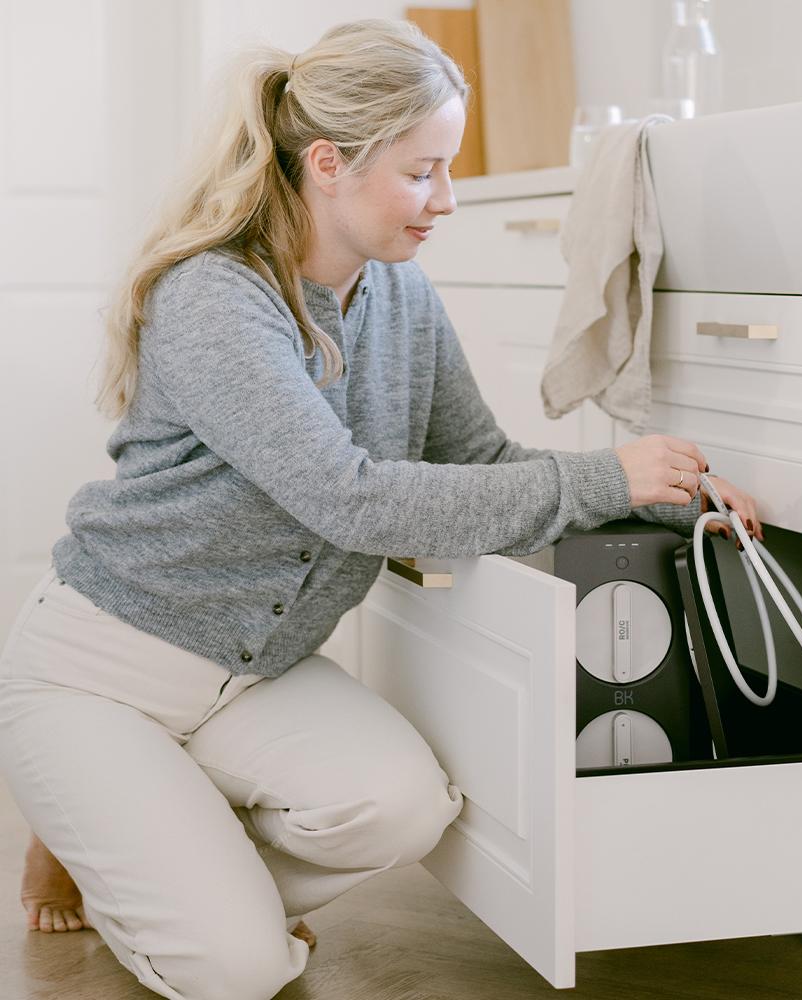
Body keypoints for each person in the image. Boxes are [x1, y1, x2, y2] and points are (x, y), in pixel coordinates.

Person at [0, 17, 763, 1000]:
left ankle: (148, 857)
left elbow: (484, 464)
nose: (446, 199)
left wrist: (671, 501)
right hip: (101, 675)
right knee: (237, 970)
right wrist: (608, 477)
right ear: (328, 163)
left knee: (406, 810)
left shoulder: (400, 295)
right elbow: (349, 499)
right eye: (422, 172)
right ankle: (106, 841)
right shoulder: (215, 296)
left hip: (259, 675)